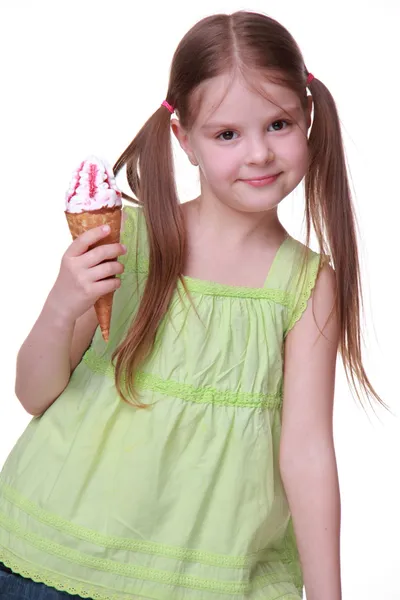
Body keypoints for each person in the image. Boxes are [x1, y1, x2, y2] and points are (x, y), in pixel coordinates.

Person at [0, 10, 382, 600]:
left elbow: (307, 452)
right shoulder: (123, 240)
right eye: (227, 134)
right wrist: (61, 304)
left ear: (308, 118)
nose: (257, 153)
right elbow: (34, 394)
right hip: (53, 559)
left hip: (207, 579)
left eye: (278, 124)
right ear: (185, 140)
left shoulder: (306, 285)